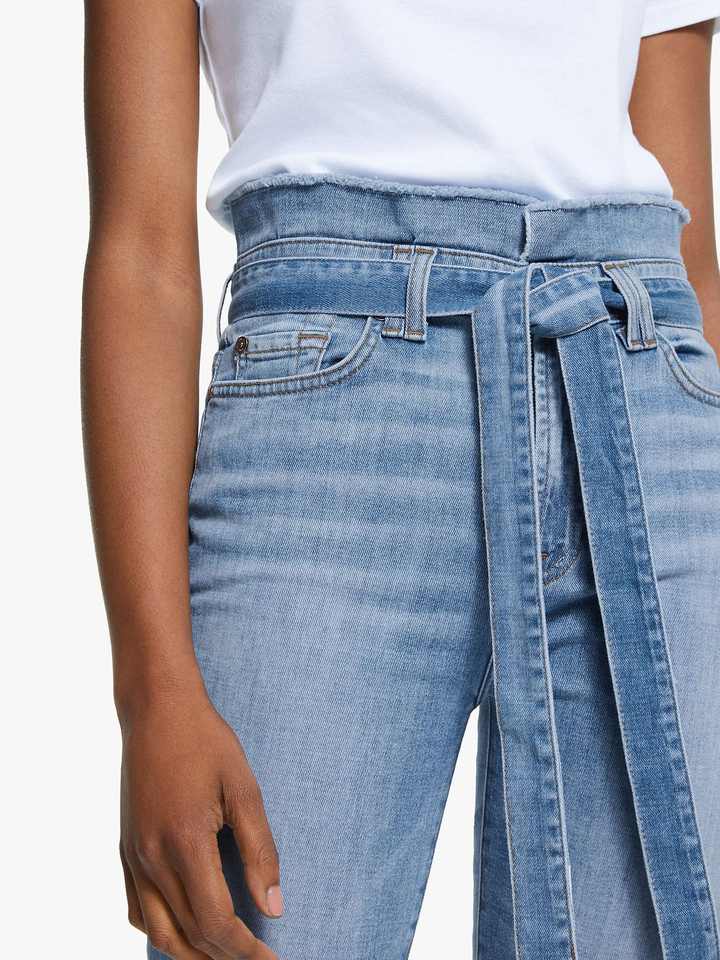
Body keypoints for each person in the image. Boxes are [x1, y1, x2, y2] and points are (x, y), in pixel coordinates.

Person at [82, 2, 720, 958]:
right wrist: (150, 691)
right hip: (329, 428)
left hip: (638, 393)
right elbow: (142, 252)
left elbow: (691, 254)